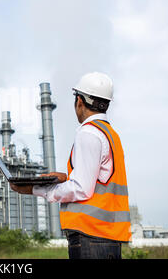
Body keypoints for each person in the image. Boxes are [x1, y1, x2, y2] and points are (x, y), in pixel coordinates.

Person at [11, 72, 131, 259]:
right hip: (107, 236)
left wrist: (34, 189)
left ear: (80, 102)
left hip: (89, 235)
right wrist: (67, 176)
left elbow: (81, 189)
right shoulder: (110, 135)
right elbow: (99, 179)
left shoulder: (89, 133)